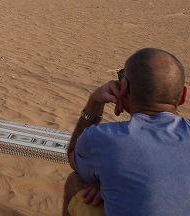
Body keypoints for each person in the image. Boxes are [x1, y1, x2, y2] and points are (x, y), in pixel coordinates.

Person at [63, 48, 190, 216]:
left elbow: (72, 155)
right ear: (183, 96)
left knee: (75, 181)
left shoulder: (102, 139)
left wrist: (94, 102)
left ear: (123, 88)